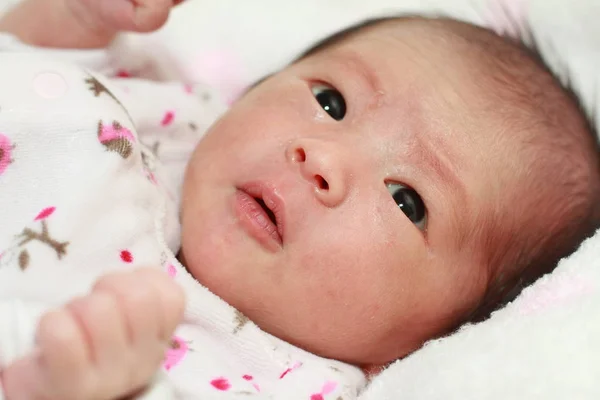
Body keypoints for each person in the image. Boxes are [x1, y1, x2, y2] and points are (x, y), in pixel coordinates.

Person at [0, 0, 599, 399]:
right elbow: (30, 60)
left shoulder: (281, 381)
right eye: (331, 102)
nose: (323, 157)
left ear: (430, 340)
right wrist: (78, 18)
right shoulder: (178, 117)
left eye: (407, 200)